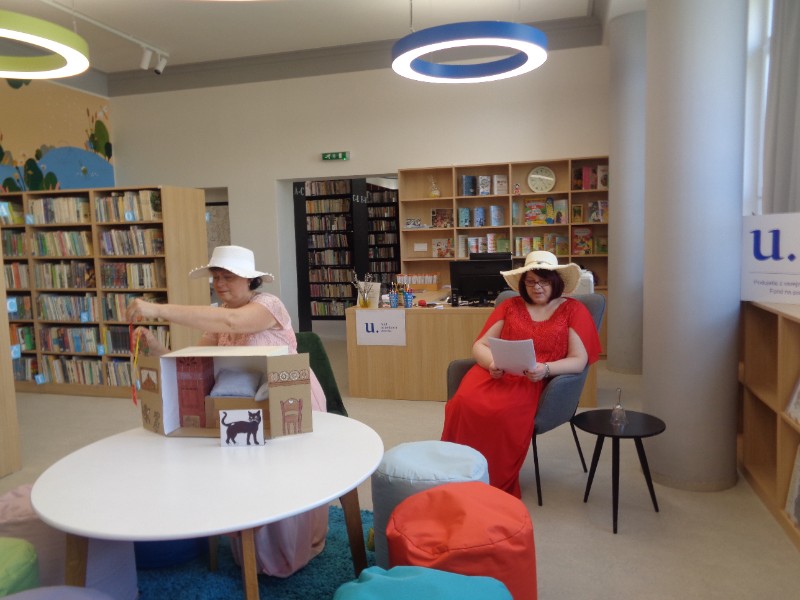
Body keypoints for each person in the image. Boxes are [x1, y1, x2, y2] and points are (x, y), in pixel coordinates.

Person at [126, 245, 328, 577]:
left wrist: (157, 309)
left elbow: (234, 322)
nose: (220, 283)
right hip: (241, 402)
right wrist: (157, 347)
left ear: (250, 280)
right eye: (216, 277)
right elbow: (193, 359)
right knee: (247, 474)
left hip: (286, 396)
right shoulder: (220, 316)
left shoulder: (268, 305)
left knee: (287, 474)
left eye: (228, 277)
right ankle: (254, 549)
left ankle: (294, 547)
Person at [441, 251, 601, 498]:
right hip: (495, 373)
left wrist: (546, 369)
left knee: (501, 415)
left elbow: (578, 361)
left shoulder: (573, 310)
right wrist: (492, 362)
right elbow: (480, 345)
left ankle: (491, 480)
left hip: (533, 379)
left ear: (556, 282)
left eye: (543, 281)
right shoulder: (510, 306)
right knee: (461, 403)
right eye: (531, 281)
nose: (537, 287)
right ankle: (458, 472)